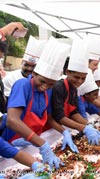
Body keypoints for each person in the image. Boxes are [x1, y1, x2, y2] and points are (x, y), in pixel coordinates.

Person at [2, 37, 69, 169]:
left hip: (30, 143)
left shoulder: (46, 92)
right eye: (42, 81)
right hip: (12, 145)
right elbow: (12, 121)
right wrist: (42, 144)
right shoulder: (22, 85)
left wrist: (64, 132)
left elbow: (46, 118)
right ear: (35, 73)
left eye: (51, 84)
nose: (45, 86)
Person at [51, 39, 100, 146]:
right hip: (52, 129)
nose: (79, 81)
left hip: (61, 128)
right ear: (68, 72)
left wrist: (89, 126)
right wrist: (84, 128)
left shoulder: (74, 88)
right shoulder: (58, 87)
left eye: (83, 78)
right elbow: (59, 116)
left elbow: (73, 112)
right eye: (76, 77)